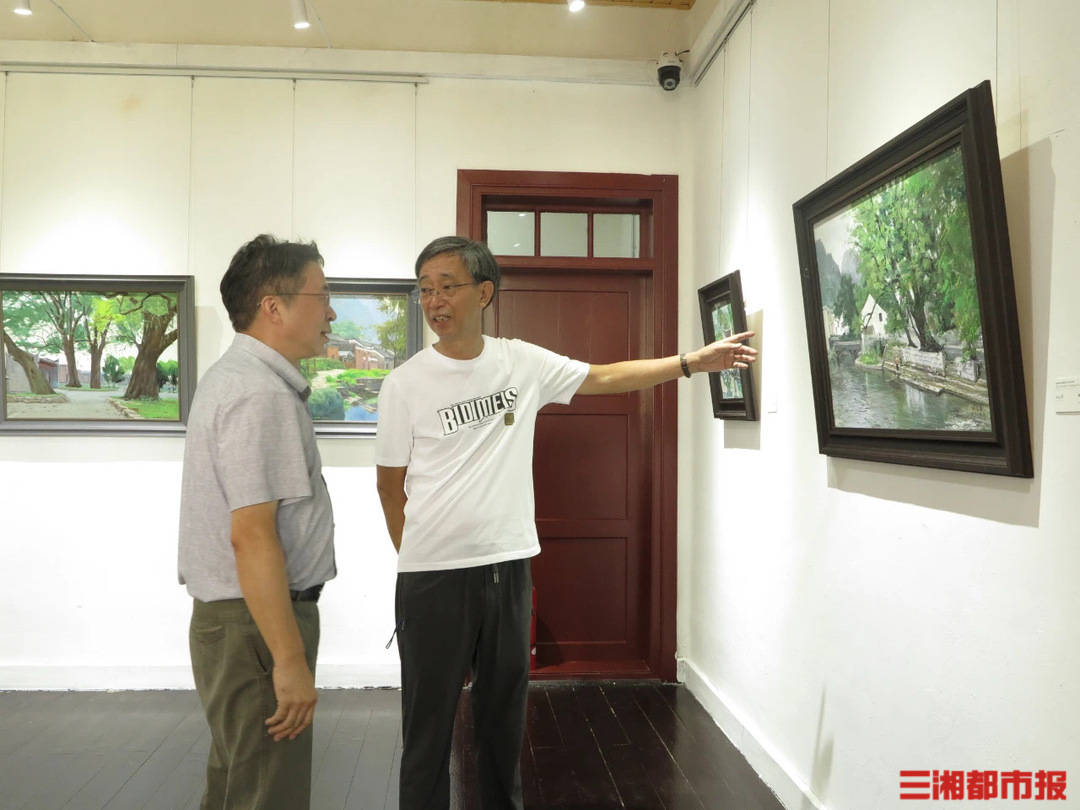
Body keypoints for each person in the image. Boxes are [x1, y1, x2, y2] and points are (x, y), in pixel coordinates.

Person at [375, 235, 757, 810]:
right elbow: (389, 487)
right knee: (427, 731)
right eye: (425, 289)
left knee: (502, 723)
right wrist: (420, 559)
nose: (434, 301)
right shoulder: (404, 384)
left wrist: (689, 363)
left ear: (484, 293)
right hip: (432, 578)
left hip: (507, 567)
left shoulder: (520, 362)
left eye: (447, 287)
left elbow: (605, 376)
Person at [178, 234, 338, 810]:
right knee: (267, 792)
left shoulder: (242, 379)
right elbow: (251, 536)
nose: (331, 312)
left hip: (244, 625)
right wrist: (288, 663)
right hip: (257, 628)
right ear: (274, 306)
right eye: (322, 296)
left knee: (238, 785)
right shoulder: (259, 394)